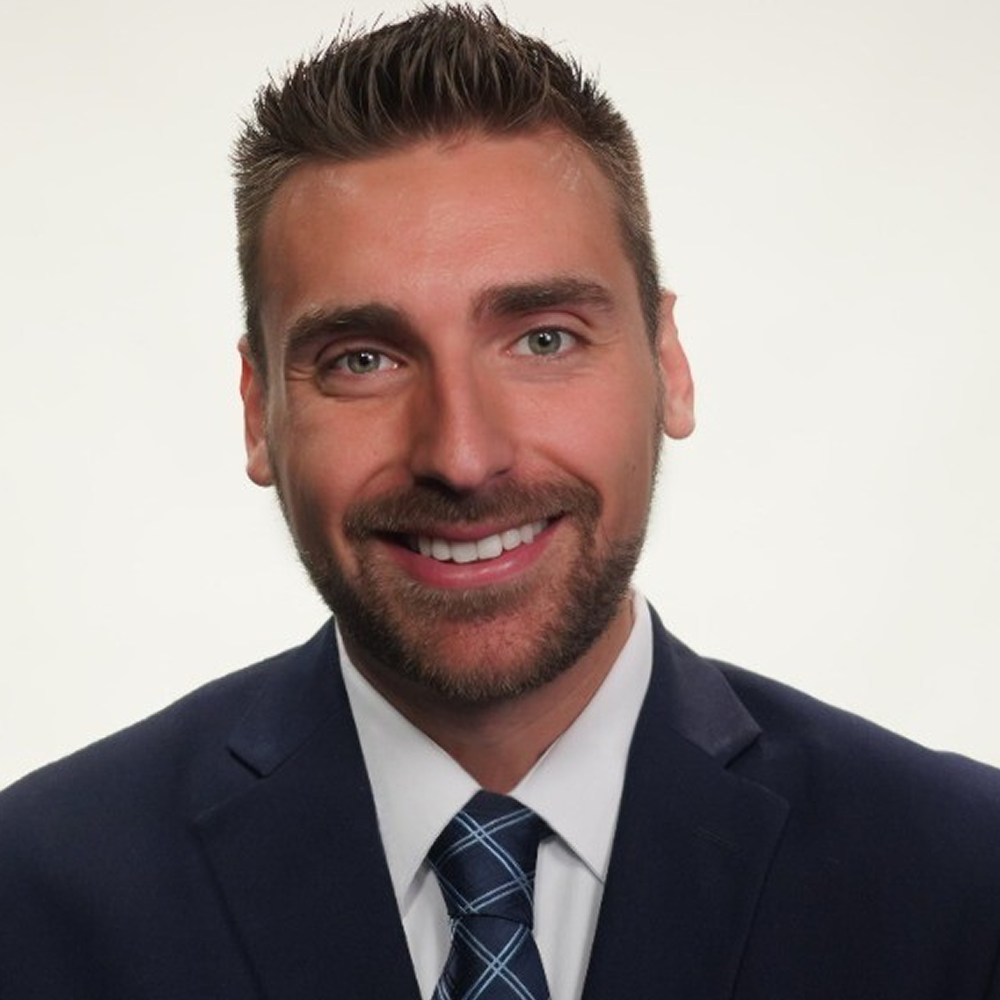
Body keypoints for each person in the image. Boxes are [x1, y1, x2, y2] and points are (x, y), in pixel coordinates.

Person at [1, 6, 998, 999]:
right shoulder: (36, 896)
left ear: (668, 363)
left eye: (544, 339)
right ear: (259, 411)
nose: (462, 456)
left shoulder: (963, 877)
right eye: (362, 359)